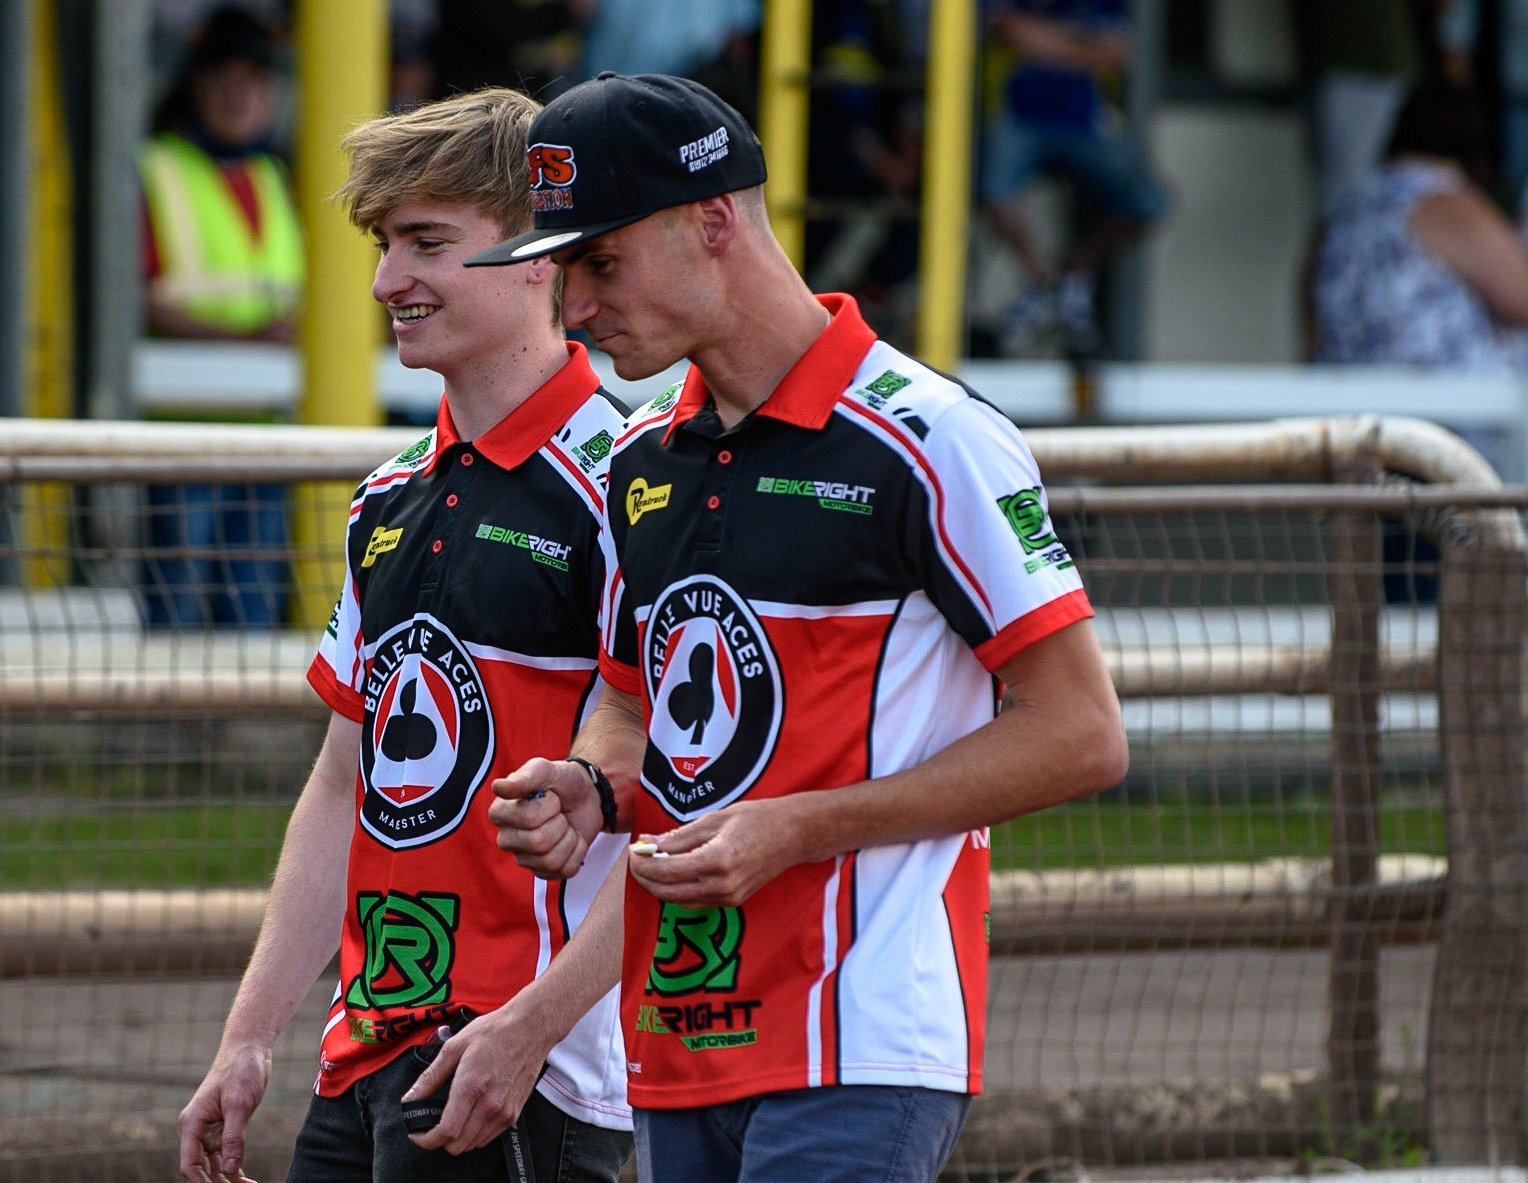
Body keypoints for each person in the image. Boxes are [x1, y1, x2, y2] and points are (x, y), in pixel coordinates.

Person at [467, 73, 1128, 1183]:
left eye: (600, 263)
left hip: (859, 1037)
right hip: (676, 1040)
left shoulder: (928, 439)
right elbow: (634, 703)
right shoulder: (638, 461)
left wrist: (794, 828)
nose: (572, 306)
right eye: (560, 269)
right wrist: (596, 786)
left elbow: (1079, 734)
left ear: (712, 219)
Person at [175, 87, 634, 1183]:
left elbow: (694, 803)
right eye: (385, 245)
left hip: (529, 1068)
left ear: (540, 255)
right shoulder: (384, 497)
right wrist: (247, 1037)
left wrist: (531, 1026)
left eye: (428, 242)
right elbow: (344, 781)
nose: (388, 281)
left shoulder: (629, 488)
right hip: (366, 1049)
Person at [139, 5, 300, 628]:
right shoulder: (158, 169)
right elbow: (141, 302)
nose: (241, 97)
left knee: (252, 602)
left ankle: (244, 730)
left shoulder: (271, 175)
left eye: (254, 83)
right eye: (226, 81)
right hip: (183, 429)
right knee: (176, 607)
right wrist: (252, 339)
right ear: (197, 88)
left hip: (267, 429)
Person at [977, 0, 1166, 357]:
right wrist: (1081, 46)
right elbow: (1008, 32)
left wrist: (1040, 40)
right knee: (993, 191)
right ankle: (1046, 284)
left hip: (1083, 125)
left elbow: (1115, 54)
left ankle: (1062, 281)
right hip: (1017, 115)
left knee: (1148, 203)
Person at [1312, 82, 1528, 372]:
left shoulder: (1350, 206)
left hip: (1354, 394)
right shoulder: (1440, 199)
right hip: (1446, 405)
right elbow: (1521, 298)